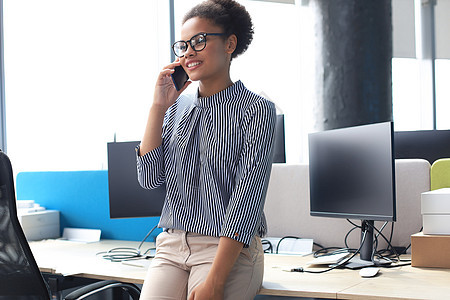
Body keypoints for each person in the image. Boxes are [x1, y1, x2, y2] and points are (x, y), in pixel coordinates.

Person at [136, 0, 276, 299]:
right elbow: (149, 179)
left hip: (225, 249)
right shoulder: (176, 107)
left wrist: (215, 280)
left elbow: (246, 201)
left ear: (230, 44)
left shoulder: (255, 109)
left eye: (199, 41)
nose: (189, 52)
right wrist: (158, 106)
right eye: (183, 45)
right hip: (172, 246)